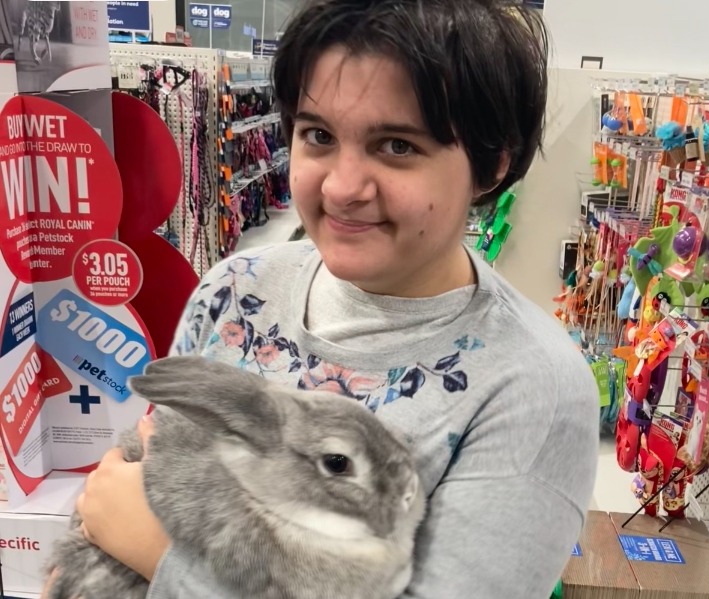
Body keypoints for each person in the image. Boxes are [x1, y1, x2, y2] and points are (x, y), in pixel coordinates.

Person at [45, 0, 600, 597]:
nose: (341, 188)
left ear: (491, 163)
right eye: (319, 136)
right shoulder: (235, 289)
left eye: (397, 146)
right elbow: (139, 472)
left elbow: (137, 516)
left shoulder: (531, 389)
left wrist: (162, 553)